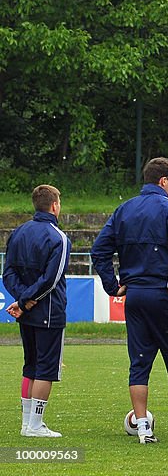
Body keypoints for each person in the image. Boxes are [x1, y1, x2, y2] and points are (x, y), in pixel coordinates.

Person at [91, 157, 168, 444]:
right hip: (163, 294)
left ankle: (143, 426)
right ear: (164, 180)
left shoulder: (124, 209)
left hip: (134, 296)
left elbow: (99, 251)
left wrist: (114, 286)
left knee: (139, 363)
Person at [3, 185, 70, 438]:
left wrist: (21, 299)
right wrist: (27, 299)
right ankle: (35, 425)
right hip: (49, 311)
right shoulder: (59, 238)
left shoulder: (18, 232)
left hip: (27, 312)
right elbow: (51, 280)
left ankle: (26, 423)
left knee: (30, 365)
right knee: (46, 368)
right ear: (54, 205)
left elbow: (8, 272)